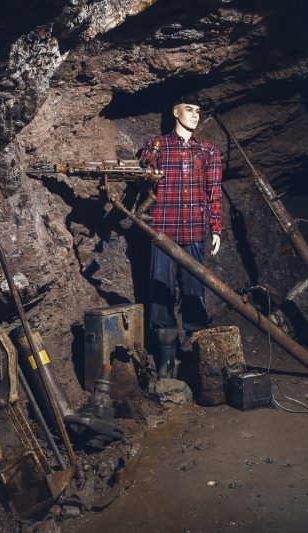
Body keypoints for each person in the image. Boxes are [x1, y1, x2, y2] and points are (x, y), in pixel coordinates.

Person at [138, 93, 223, 378]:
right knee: (160, 291)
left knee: (194, 293)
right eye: (189, 110)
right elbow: (141, 179)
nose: (195, 115)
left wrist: (216, 229)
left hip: (195, 232)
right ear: (175, 112)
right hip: (163, 232)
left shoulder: (208, 150)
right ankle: (165, 365)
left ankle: (197, 362)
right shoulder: (156, 145)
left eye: (198, 111)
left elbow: (214, 194)